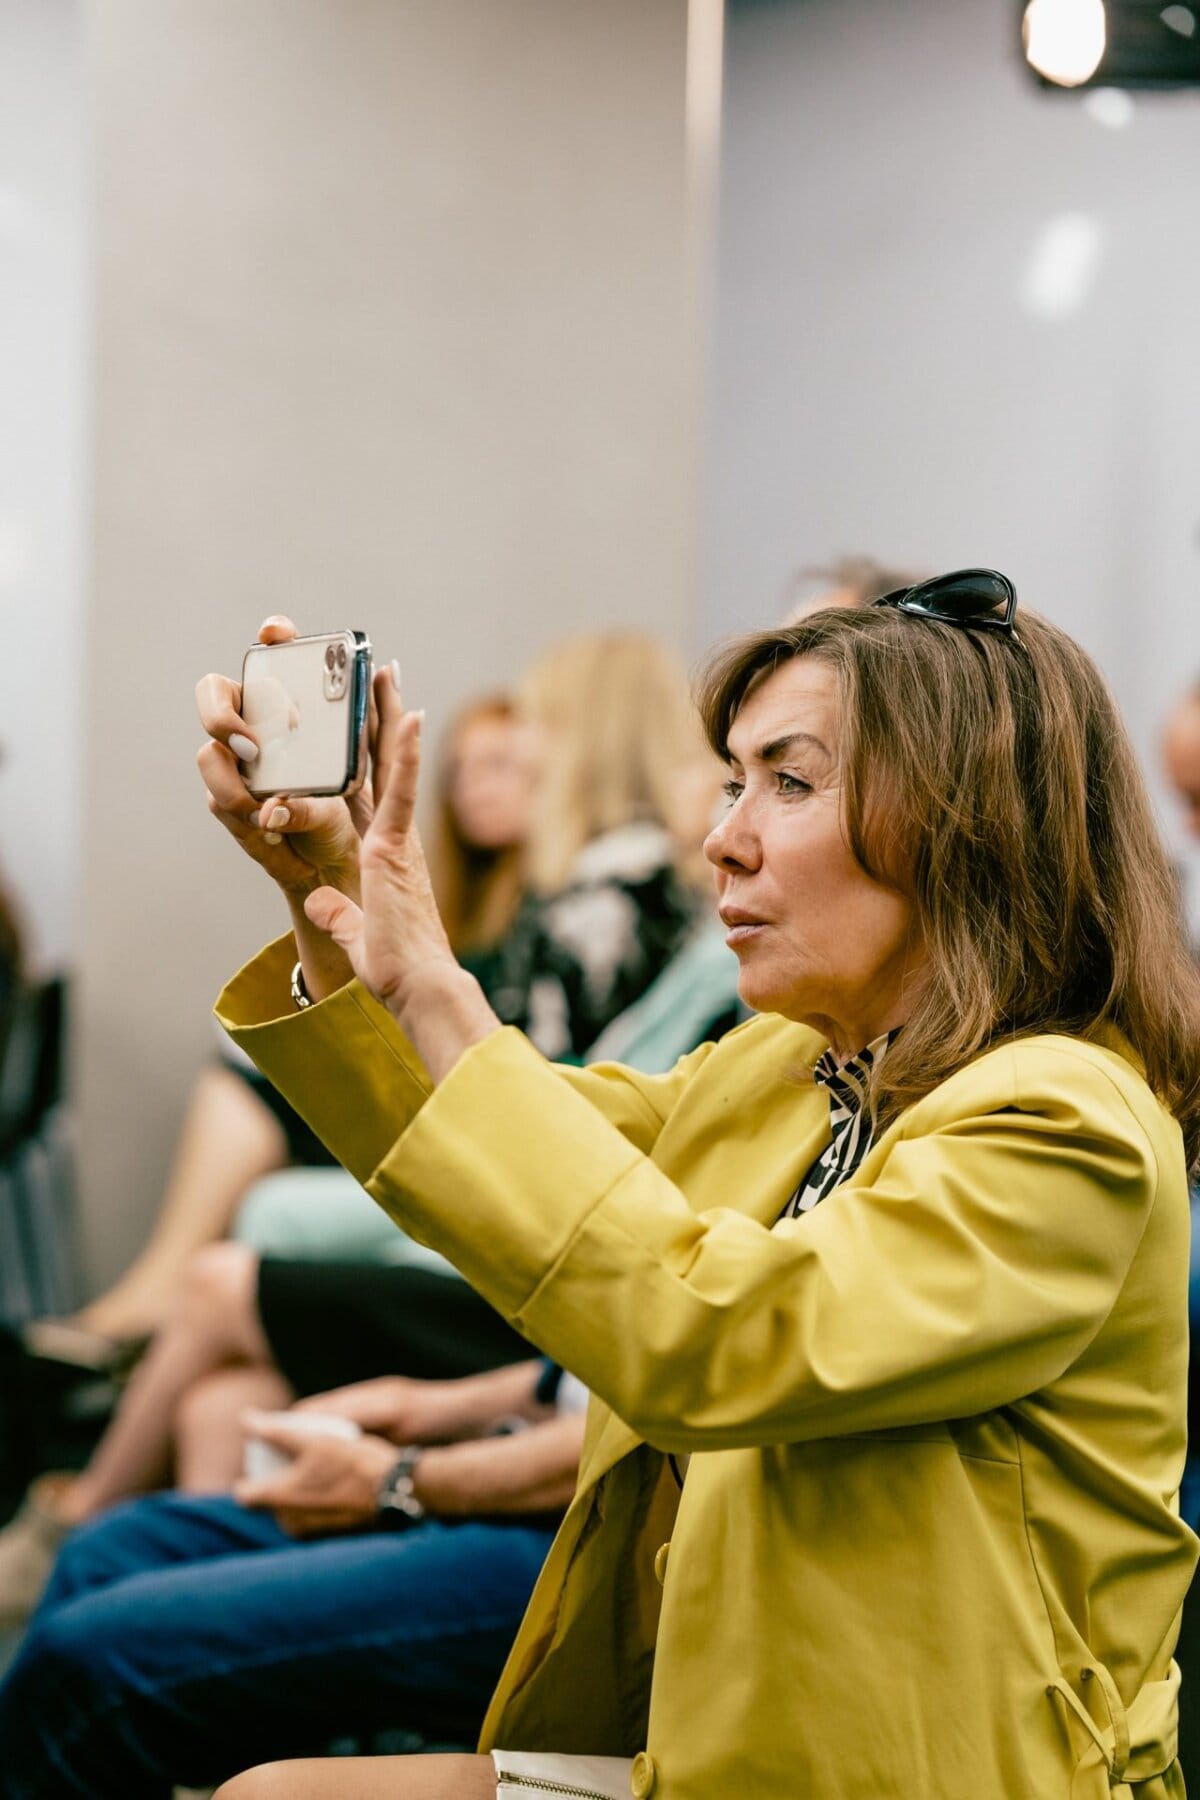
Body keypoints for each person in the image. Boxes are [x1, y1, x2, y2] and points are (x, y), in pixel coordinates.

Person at [196, 574, 1198, 1800]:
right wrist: (329, 890)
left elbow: (714, 1334)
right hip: (724, 1753)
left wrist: (441, 988)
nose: (724, 834)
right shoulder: (796, 1067)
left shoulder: (1066, 1120)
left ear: (968, 821)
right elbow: (491, 1138)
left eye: (790, 780)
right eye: (733, 780)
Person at [24, 691, 538, 1357]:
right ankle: (150, 1300)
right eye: (461, 769)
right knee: (221, 1393)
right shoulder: (467, 904)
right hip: (436, 1095)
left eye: (498, 765)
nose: (474, 788)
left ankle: (154, 1292)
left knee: (252, 1088)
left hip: (477, 1114)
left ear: (551, 773)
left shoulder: (561, 912)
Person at [0, 1358, 587, 1796]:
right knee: (113, 1547)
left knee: (93, 1662)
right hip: (542, 1454)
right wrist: (421, 1405)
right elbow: (586, 1374)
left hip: (599, 1537)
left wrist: (404, 1478)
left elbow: (646, 1414)